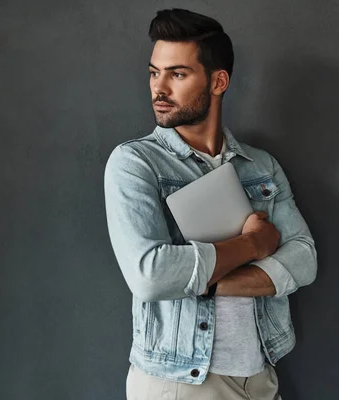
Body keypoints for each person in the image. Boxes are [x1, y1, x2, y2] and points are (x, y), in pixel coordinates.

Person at [104, 8, 317, 400]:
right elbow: (150, 275)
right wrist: (253, 245)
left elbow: (303, 259)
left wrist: (205, 284)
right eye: (154, 72)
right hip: (181, 381)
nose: (159, 88)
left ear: (218, 81)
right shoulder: (135, 163)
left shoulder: (261, 166)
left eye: (177, 74)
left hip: (260, 376)